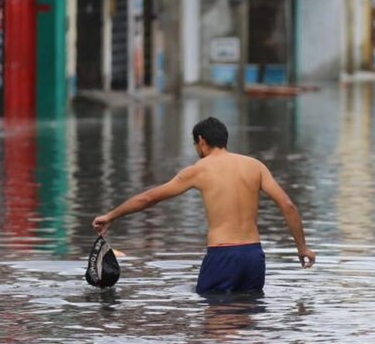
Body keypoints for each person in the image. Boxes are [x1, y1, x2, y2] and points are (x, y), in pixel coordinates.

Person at [92, 117, 316, 294]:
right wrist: (302, 248)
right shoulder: (255, 166)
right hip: (253, 256)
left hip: (222, 255)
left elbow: (148, 198)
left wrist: (111, 215)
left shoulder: (199, 170)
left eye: (195, 144)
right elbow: (288, 205)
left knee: (215, 331)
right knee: (247, 324)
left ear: (201, 141)